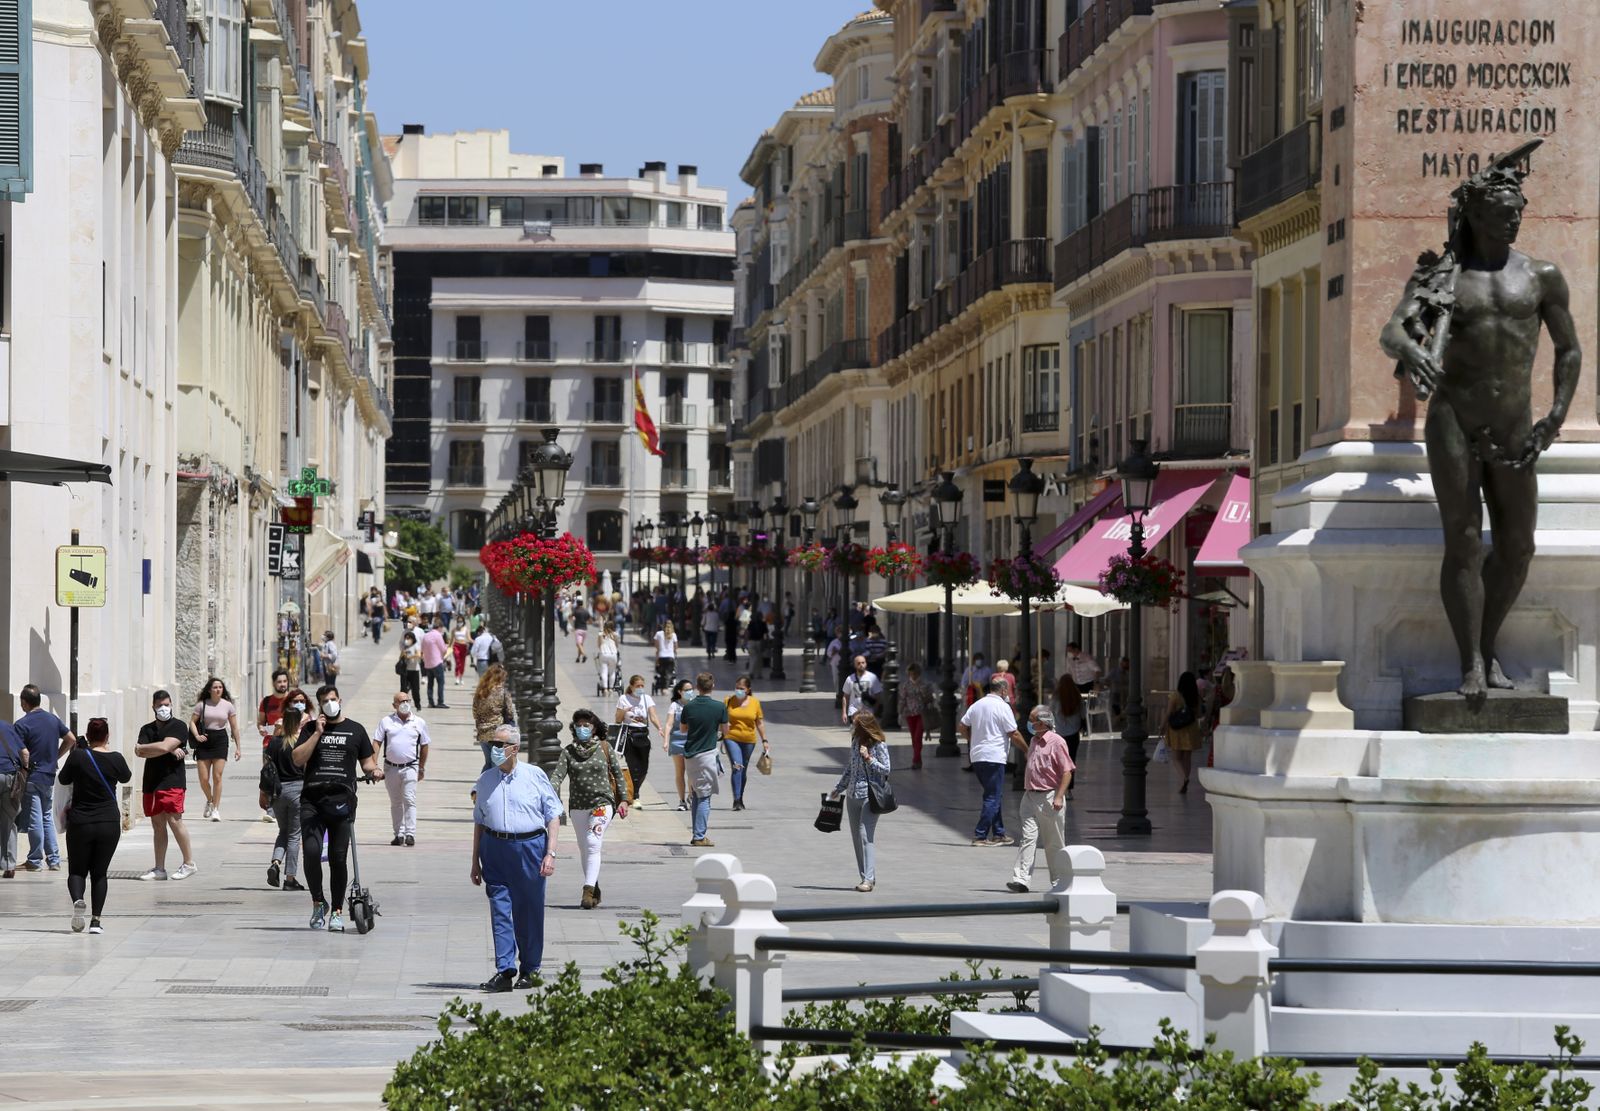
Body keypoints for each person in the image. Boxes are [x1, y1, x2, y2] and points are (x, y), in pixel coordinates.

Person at [471, 724, 563, 992]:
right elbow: (479, 821)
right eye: (493, 745)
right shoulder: (485, 780)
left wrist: (551, 853)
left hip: (530, 848)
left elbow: (553, 815)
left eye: (500, 745)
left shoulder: (535, 776)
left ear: (515, 748)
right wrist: (474, 860)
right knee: (499, 908)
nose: (495, 750)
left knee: (529, 911)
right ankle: (505, 969)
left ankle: (530, 968)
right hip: (494, 848)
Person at [291, 684, 383, 932]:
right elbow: (298, 759)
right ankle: (318, 903)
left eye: (333, 699)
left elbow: (367, 762)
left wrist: (375, 771)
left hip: (342, 800)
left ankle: (338, 911)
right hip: (312, 799)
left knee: (338, 857)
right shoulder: (311, 728)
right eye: (324, 701)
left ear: (340, 700)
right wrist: (317, 734)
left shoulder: (355, 730)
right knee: (310, 852)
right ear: (319, 705)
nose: (330, 703)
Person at [549, 709, 628, 910]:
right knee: (585, 848)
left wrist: (624, 800)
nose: (583, 728)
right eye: (579, 725)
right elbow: (557, 776)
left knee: (593, 843)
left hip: (602, 804)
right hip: (578, 806)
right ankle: (595, 887)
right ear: (574, 728)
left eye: (587, 725)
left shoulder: (605, 747)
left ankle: (587, 890)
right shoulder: (568, 751)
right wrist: (549, 793)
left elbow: (618, 775)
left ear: (594, 728)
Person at [57, 718, 130, 933]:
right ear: (107, 736)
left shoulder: (79, 756)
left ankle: (78, 900)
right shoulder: (116, 758)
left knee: (77, 870)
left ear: (88, 736)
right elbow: (126, 776)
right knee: (100, 873)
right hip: (108, 822)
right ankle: (96, 921)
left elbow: (63, 779)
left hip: (81, 822)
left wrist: (79, 752)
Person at [1007, 706, 1075, 894]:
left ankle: (1060, 881)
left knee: (1053, 842)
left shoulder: (1057, 742)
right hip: (1029, 796)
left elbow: (1067, 771)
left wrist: (1060, 796)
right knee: (1028, 838)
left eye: (1032, 719)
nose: (1029, 723)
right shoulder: (1034, 741)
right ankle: (1021, 879)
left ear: (1043, 722)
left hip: (1049, 796)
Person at [134, 690, 197, 882]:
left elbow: (160, 748)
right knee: (157, 824)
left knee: (174, 820)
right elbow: (140, 752)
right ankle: (159, 868)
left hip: (172, 780)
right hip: (152, 782)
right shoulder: (146, 729)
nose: (163, 708)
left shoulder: (178, 726)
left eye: (167, 704)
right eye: (160, 705)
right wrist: (165, 748)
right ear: (153, 706)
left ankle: (189, 863)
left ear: (172, 705)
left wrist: (158, 748)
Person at [16, 685, 76, 871]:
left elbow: (22, 752)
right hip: (49, 774)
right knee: (46, 816)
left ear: (24, 702)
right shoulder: (53, 719)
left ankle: (34, 860)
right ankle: (54, 859)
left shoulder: (22, 724)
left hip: (33, 775)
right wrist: (56, 756)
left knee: (35, 818)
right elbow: (71, 739)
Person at [830, 710, 891, 892]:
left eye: (855, 724)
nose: (852, 727)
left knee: (865, 835)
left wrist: (869, 758)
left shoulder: (879, 744)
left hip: (870, 796)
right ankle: (865, 876)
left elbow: (886, 770)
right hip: (852, 795)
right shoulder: (855, 742)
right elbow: (850, 767)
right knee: (857, 838)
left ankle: (868, 879)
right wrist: (839, 787)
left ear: (864, 726)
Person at [959, 676, 1022, 847]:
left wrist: (972, 740)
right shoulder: (1003, 707)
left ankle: (999, 833)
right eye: (1007, 691)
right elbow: (1013, 733)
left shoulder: (977, 705)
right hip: (994, 757)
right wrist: (1027, 750)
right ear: (1002, 690)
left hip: (978, 756)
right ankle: (980, 835)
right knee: (992, 797)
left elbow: (962, 726)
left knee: (994, 794)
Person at [261, 689, 308, 891]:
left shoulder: (273, 744)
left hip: (278, 792)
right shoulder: (301, 743)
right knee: (294, 835)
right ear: (298, 723)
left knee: (283, 831)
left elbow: (266, 770)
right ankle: (290, 878)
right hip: (298, 791)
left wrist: (263, 793)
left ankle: (275, 862)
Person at [679, 672, 729, 847]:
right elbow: (726, 730)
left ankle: (697, 833)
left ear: (697, 687)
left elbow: (683, 729)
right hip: (706, 755)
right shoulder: (719, 707)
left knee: (696, 793)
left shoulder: (689, 706)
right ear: (712, 685)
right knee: (704, 796)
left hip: (690, 755)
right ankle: (699, 836)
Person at [377, 691, 431, 847]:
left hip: (410, 767)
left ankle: (410, 834)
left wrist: (421, 767)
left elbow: (425, 745)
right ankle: (398, 834)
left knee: (409, 799)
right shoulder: (386, 721)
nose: (404, 703)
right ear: (394, 705)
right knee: (395, 802)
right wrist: (374, 765)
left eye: (407, 700)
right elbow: (377, 742)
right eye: (401, 701)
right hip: (391, 767)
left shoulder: (419, 722)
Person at [189, 677, 241, 823]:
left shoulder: (228, 706)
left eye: (220, 687)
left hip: (220, 739)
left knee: (217, 777)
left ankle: (216, 809)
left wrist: (238, 747)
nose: (218, 689)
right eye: (215, 687)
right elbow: (192, 722)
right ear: (209, 690)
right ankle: (210, 800)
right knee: (204, 779)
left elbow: (235, 727)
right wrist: (197, 735)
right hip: (205, 740)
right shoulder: (202, 705)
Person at [614, 675, 663, 803]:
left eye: (642, 686)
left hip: (643, 735)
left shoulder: (646, 699)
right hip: (629, 734)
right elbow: (618, 719)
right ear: (631, 686)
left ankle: (634, 789)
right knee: (632, 766)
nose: (640, 688)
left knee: (644, 767)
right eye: (637, 686)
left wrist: (660, 728)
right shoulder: (624, 698)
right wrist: (625, 710)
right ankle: (635, 795)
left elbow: (653, 716)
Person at [724, 675, 768, 812]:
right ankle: (736, 800)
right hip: (731, 737)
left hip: (749, 740)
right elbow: (721, 719)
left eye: (741, 688)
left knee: (743, 770)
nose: (738, 691)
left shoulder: (755, 703)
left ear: (748, 690)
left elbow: (759, 723)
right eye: (737, 688)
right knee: (737, 766)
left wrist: (764, 740)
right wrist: (723, 729)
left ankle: (741, 797)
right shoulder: (728, 701)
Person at [1162, 671, 1204, 794]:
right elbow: (1199, 714)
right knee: (1187, 757)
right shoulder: (1195, 697)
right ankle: (1184, 781)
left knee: (1176, 758)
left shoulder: (1175, 696)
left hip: (1177, 730)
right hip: (1191, 729)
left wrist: (1162, 726)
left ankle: (1183, 778)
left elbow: (1169, 713)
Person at [473, 664, 517, 771]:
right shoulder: (503, 693)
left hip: (482, 733)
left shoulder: (480, 692)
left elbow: (475, 713)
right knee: (497, 765)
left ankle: (482, 785)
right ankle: (491, 786)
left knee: (488, 763)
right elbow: (510, 713)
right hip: (498, 734)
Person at [1051, 673, 1086, 798]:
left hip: (1059, 734)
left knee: (1059, 761)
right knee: (1071, 761)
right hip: (1073, 734)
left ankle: (1059, 787)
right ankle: (1068, 790)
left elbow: (1051, 713)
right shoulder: (1077, 697)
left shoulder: (1056, 697)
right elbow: (1083, 715)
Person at [0, 715, 26, 879]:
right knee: (9, 821)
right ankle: (9, 866)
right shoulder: (7, 726)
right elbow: (25, 752)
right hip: (10, 777)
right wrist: (24, 773)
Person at [663, 678, 694, 811]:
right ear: (680, 692)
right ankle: (682, 800)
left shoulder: (695, 704)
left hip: (692, 741)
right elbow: (669, 724)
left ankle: (692, 796)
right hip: (677, 741)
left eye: (691, 689)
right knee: (680, 772)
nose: (689, 692)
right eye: (686, 690)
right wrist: (666, 740)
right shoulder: (674, 705)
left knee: (692, 772)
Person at [899, 663, 933, 770]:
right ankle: (918, 760)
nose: (912, 676)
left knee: (918, 737)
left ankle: (915, 760)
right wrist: (900, 713)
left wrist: (924, 695)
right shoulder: (906, 685)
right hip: (909, 714)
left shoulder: (925, 684)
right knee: (914, 739)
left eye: (914, 673)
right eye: (910, 674)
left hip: (921, 714)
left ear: (918, 673)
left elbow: (930, 699)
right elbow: (903, 700)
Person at [840, 655, 883, 726]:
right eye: (858, 663)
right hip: (854, 712)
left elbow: (878, 695)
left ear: (866, 664)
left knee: (866, 735)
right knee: (856, 735)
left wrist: (875, 711)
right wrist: (844, 713)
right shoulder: (850, 679)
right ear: (855, 665)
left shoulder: (872, 677)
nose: (861, 665)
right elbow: (845, 696)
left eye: (863, 663)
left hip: (868, 713)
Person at [420, 619, 449, 710]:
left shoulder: (426, 636)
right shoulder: (438, 635)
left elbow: (422, 649)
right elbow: (443, 649)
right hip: (437, 662)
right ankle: (440, 702)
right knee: (440, 682)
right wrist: (443, 656)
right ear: (440, 627)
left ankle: (430, 702)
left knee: (430, 684)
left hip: (428, 663)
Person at [397, 631, 423, 707]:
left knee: (415, 690)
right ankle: (403, 704)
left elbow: (418, 655)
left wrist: (409, 657)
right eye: (406, 638)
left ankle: (417, 704)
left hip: (414, 670)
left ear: (412, 639)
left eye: (408, 638)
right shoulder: (405, 647)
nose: (407, 640)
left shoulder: (416, 646)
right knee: (403, 689)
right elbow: (400, 657)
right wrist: (403, 654)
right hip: (405, 670)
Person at [652, 620, 679, 693]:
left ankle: (663, 687)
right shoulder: (674, 635)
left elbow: (656, 646)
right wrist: (673, 651)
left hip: (661, 656)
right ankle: (665, 688)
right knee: (669, 672)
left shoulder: (658, 634)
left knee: (661, 671)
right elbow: (676, 647)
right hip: (670, 657)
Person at [595, 620, 621, 694]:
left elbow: (599, 645)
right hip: (613, 654)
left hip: (603, 653)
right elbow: (617, 645)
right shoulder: (615, 634)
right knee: (612, 672)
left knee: (604, 672)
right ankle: (611, 688)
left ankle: (605, 689)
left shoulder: (600, 634)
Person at [744, 610, 767, 678]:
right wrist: (766, 641)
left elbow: (747, 633)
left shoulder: (751, 623)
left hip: (751, 642)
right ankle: (756, 673)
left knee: (753, 658)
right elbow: (765, 634)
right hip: (759, 642)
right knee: (758, 658)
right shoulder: (763, 623)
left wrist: (745, 642)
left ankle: (755, 673)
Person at [452, 617, 472, 686]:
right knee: (457, 661)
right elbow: (451, 640)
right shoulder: (454, 630)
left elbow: (469, 638)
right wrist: (448, 647)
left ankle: (461, 677)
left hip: (463, 646)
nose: (459, 622)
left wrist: (475, 641)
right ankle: (457, 677)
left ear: (463, 621)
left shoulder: (466, 629)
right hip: (456, 646)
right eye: (458, 621)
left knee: (462, 663)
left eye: (461, 621)